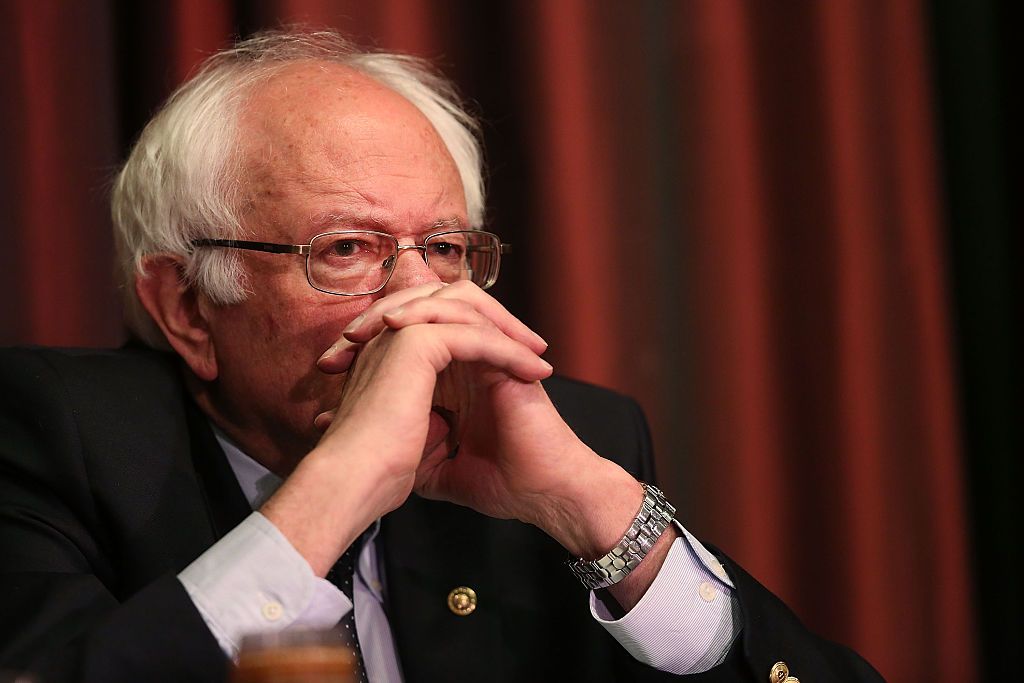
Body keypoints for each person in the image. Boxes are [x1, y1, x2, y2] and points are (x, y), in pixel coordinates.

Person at [0, 30, 882, 682]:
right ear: (189, 306)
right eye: (346, 249)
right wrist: (340, 485)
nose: (421, 303)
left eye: (447, 250)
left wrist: (602, 512)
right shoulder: (47, 434)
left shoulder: (555, 440)